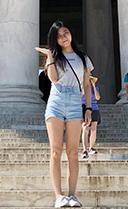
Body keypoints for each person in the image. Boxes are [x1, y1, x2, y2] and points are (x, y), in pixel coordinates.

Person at [37, 20, 94, 208]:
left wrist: (88, 108)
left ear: (71, 34)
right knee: (55, 151)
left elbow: (86, 85)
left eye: (66, 33)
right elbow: (53, 78)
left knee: (73, 152)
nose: (63, 37)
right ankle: (59, 196)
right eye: (59, 36)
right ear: (55, 40)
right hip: (56, 100)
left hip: (75, 103)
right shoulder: (54, 56)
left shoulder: (83, 58)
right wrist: (50, 55)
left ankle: (72, 195)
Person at [81, 74, 101, 159]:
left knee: (93, 129)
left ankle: (91, 147)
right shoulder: (82, 87)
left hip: (94, 108)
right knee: (85, 128)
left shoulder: (95, 87)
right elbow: (79, 97)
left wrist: (93, 86)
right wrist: (82, 88)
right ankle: (84, 149)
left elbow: (98, 97)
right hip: (84, 107)